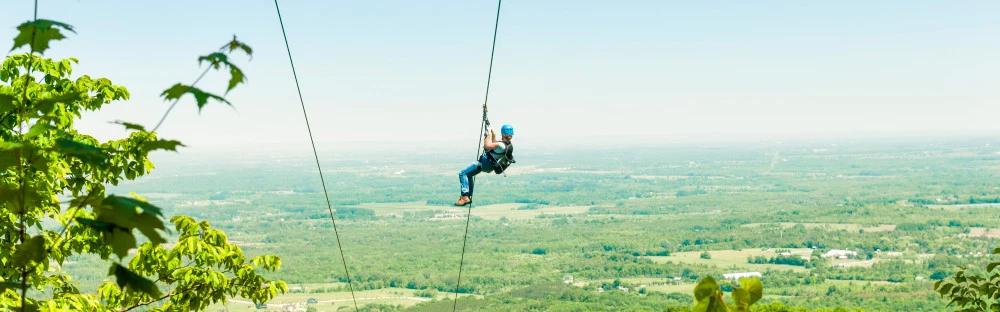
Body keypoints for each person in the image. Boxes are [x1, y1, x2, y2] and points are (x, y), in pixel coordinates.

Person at [455, 124, 515, 206]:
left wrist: (489, 134)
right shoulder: (507, 145)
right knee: (469, 175)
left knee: (462, 173)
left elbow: (487, 147)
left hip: (484, 163)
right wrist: (493, 135)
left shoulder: (501, 145)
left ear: (503, 133)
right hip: (489, 166)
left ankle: (464, 196)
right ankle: (468, 196)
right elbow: (495, 145)